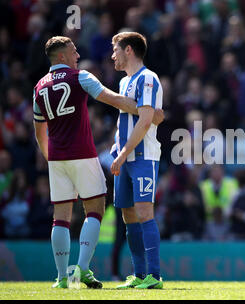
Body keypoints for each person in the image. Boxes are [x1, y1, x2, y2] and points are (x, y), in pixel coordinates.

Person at [33, 36, 163, 289]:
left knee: (60, 217)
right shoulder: (80, 77)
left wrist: (49, 157)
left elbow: (39, 131)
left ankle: (62, 278)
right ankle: (82, 269)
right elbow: (113, 99)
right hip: (83, 152)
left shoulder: (39, 85)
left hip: (57, 158)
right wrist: (150, 112)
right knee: (95, 208)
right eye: (73, 51)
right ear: (61, 57)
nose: (77, 55)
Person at [109, 32, 164, 290]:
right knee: (128, 216)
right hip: (126, 155)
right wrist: (117, 145)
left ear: (128, 50)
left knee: (144, 213)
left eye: (116, 49)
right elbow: (127, 119)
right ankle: (139, 275)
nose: (113, 55)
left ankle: (155, 275)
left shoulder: (148, 78)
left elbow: (144, 121)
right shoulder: (124, 83)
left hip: (143, 156)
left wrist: (122, 153)